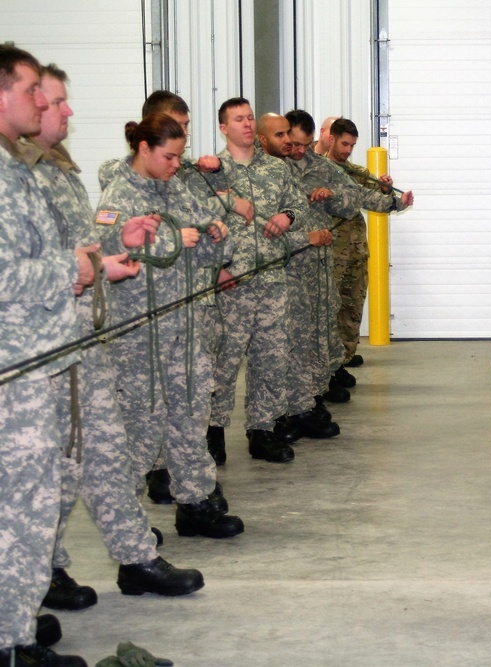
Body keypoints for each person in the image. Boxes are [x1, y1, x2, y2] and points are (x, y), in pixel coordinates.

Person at [29, 65, 205, 603]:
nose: (68, 112)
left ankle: (136, 560)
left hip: (80, 341)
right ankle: (42, 577)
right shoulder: (24, 178)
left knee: (105, 453)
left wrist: (111, 245)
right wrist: (86, 264)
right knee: (46, 473)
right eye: (55, 102)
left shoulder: (56, 171)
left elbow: (85, 247)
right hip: (38, 351)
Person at [97, 112, 243, 540]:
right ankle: (128, 525)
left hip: (184, 322)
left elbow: (215, 237)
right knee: (141, 424)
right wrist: (179, 239)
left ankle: (195, 502)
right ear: (144, 149)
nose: (176, 164)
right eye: (169, 156)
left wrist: (215, 234)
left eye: (180, 156)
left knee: (190, 412)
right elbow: (107, 248)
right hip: (140, 331)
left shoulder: (176, 186)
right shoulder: (118, 194)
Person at [0, 43, 88, 667]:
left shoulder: (16, 169)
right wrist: (76, 266)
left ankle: (12, 624)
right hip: (14, 370)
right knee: (22, 512)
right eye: (33, 89)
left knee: (22, 508)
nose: (43, 102)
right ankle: (11, 643)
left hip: (32, 361)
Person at [201, 98, 307, 463]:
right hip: (231, 284)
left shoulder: (276, 170)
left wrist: (287, 218)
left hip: (273, 280)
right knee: (223, 362)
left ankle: (262, 429)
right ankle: (213, 433)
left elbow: (299, 205)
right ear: (223, 128)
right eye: (238, 119)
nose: (246, 124)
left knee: (271, 358)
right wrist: (216, 268)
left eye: (250, 118)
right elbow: (198, 223)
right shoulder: (211, 173)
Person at [256, 111, 339, 440]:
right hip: (269, 274)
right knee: (274, 350)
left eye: (289, 136)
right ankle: (273, 420)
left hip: (297, 271)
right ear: (263, 139)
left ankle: (300, 406)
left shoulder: (282, 170)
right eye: (281, 136)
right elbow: (261, 232)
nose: (288, 142)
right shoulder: (246, 174)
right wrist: (307, 238)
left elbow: (295, 211)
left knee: (298, 343)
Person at [319, 117, 414, 383]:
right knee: (331, 309)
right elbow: (366, 197)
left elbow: (374, 190)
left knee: (353, 305)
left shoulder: (354, 171)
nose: (348, 149)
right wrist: (393, 202)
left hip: (356, 250)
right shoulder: (321, 171)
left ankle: (345, 357)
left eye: (352, 145)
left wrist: (386, 188)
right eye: (344, 143)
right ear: (331, 139)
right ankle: (330, 367)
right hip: (332, 253)